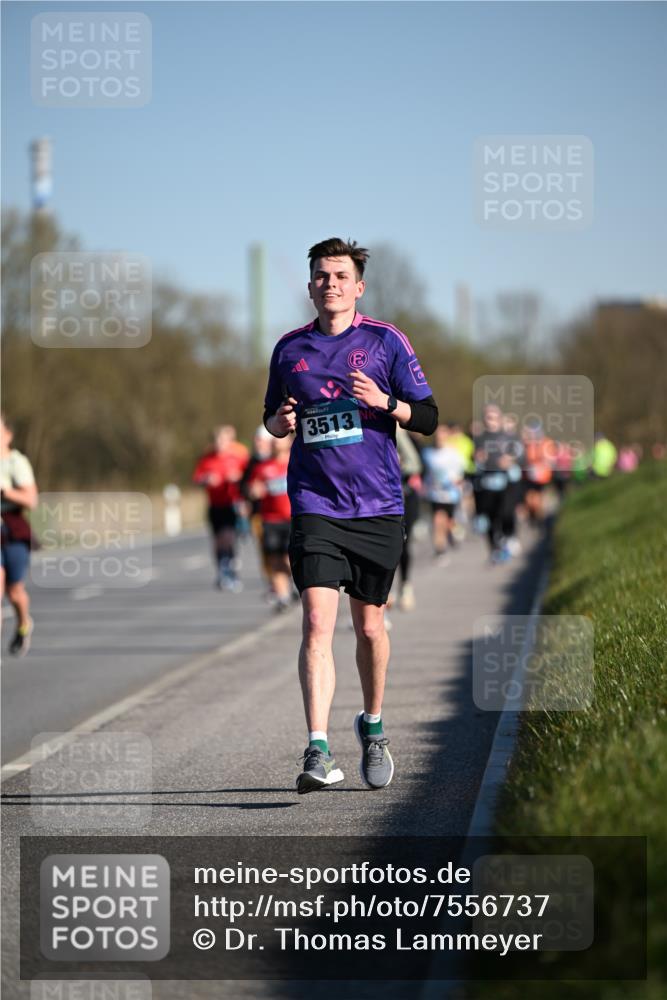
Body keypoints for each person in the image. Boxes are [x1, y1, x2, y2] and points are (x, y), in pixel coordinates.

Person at [263, 237, 438, 793]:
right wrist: (279, 424)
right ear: (310, 285)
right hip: (315, 504)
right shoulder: (289, 349)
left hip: (377, 505)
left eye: (340, 276)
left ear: (358, 287)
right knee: (317, 622)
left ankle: (374, 726)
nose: (330, 284)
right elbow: (271, 417)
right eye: (322, 275)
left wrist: (386, 402)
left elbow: (429, 417)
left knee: (369, 627)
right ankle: (317, 748)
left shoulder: (386, 341)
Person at [192, 425, 249, 591]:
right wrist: (206, 479)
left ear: (230, 441)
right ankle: (222, 571)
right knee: (217, 541)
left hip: (232, 503)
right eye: (217, 440)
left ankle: (231, 569)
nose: (220, 443)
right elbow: (197, 478)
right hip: (214, 504)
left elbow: (249, 476)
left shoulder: (237, 457)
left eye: (223, 440)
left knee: (228, 537)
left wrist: (238, 478)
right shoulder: (207, 458)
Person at [1, 414, 39, 656]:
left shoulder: (16, 462)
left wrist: (5, 493)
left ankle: (23, 623)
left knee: (14, 591)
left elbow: (31, 500)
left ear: (8, 435)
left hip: (12, 530)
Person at [246, 435, 293, 612]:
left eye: (279, 440)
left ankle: (293, 583)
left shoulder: (296, 462)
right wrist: (254, 491)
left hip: (293, 518)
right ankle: (283, 597)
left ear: (289, 441)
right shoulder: (263, 467)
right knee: (274, 558)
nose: (275, 443)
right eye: (273, 441)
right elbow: (252, 489)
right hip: (270, 520)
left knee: (289, 559)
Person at [473, 405, 513, 562]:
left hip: (504, 483)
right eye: (488, 417)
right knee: (490, 518)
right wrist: (478, 458)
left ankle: (505, 539)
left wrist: (509, 461)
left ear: (500, 418)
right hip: (486, 484)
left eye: (494, 417)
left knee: (504, 514)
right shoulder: (479, 438)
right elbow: (475, 459)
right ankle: (494, 548)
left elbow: (518, 456)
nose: (491, 421)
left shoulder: (507, 437)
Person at [421, 424, 465, 563]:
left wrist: (456, 481)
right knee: (438, 520)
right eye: (437, 434)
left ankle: (453, 532)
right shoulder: (427, 453)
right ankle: (440, 551)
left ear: (447, 436)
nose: (439, 437)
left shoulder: (453, 453)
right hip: (434, 494)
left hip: (451, 494)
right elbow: (424, 471)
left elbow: (461, 474)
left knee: (448, 522)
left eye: (442, 434)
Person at [240, 425, 275, 599]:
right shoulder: (252, 462)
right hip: (259, 514)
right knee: (265, 549)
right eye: (256, 440)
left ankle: (288, 581)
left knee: (286, 551)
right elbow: (243, 486)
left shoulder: (281, 458)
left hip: (282, 514)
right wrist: (248, 494)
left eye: (261, 440)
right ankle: (272, 584)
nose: (258, 444)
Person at [392, 426, 423, 611]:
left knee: (403, 543)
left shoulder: (406, 438)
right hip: (377, 500)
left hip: (405, 498)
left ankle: (405, 585)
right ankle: (385, 591)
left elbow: (415, 465)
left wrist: (399, 432)